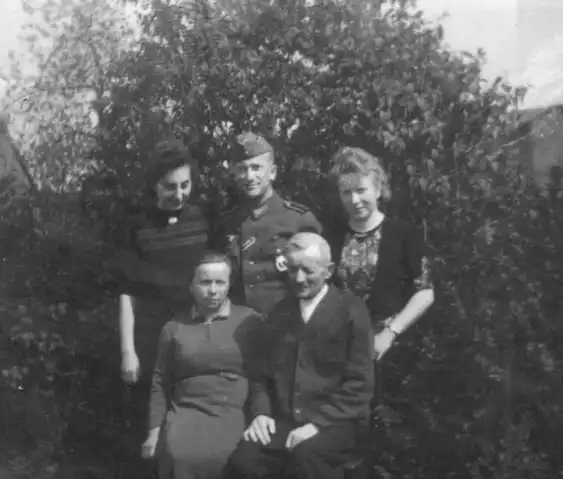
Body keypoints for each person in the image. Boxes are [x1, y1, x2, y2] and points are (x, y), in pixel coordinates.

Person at [226, 232, 375, 479]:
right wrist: (262, 413)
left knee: (305, 456)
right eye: (293, 269)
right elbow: (261, 376)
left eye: (308, 270)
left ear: (329, 271)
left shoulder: (352, 311)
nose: (299, 278)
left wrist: (317, 424)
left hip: (338, 423)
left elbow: (360, 385)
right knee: (245, 458)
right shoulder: (279, 313)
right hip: (286, 422)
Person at [141, 251, 265, 479]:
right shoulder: (174, 327)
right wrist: (154, 431)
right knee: (178, 456)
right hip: (186, 412)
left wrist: (260, 414)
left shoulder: (250, 320)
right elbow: (160, 382)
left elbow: (261, 377)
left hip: (234, 410)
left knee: (235, 458)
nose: (213, 290)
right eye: (205, 282)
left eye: (220, 282)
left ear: (229, 285)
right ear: (191, 286)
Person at [117, 140, 212, 385]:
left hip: (198, 336)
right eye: (170, 187)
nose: (179, 195)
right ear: (155, 185)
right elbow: (128, 293)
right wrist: (128, 351)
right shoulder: (138, 226)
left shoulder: (204, 220)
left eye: (185, 185)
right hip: (153, 338)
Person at [327, 146, 435, 361]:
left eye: (361, 190)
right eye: (347, 192)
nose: (354, 200)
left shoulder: (404, 235)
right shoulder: (332, 237)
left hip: (389, 350)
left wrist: (390, 332)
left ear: (378, 190)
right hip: (340, 349)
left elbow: (425, 292)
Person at [213, 131, 323, 314]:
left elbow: (318, 280)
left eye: (256, 168)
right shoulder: (227, 221)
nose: (249, 176)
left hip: (287, 320)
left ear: (272, 172)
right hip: (239, 323)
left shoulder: (299, 220)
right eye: (242, 169)